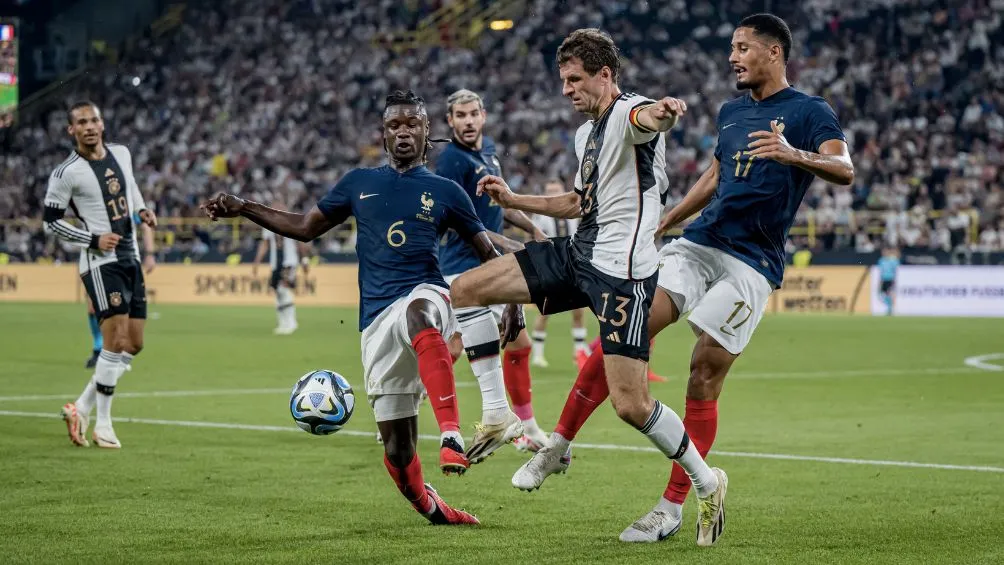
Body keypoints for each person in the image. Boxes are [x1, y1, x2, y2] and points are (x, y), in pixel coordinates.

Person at [511, 14, 854, 545]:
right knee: (630, 327)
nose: (733, 57)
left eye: (743, 48)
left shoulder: (810, 112)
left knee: (703, 372)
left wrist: (794, 155)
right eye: (732, 48)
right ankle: (558, 444)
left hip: (753, 263)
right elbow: (716, 176)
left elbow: (845, 167)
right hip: (700, 243)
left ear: (775, 52)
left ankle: (674, 505)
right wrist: (668, 220)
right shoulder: (732, 111)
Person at [447, 28, 728, 544]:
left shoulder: (628, 113)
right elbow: (579, 203)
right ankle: (494, 413)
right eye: (563, 80)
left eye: (575, 79)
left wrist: (664, 110)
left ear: (605, 75)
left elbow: (651, 118)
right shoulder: (586, 135)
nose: (566, 89)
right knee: (465, 288)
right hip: (578, 255)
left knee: (631, 406)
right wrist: (515, 199)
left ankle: (708, 483)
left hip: (623, 278)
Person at [202, 90, 524, 526]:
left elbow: (489, 253)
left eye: (412, 123)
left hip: (426, 293)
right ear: (383, 133)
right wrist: (244, 208)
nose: (404, 131)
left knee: (421, 311)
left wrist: (514, 307)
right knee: (397, 450)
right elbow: (303, 227)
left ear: (427, 131)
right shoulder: (358, 183)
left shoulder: (445, 190)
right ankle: (433, 508)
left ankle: (451, 434)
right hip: (375, 321)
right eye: (395, 125)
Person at [436, 88, 550, 455]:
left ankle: (523, 427)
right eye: (461, 116)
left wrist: (531, 227)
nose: (468, 121)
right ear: (450, 121)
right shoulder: (452, 161)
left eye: (473, 114)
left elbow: (499, 204)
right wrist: (510, 247)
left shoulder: (488, 154)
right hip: (462, 266)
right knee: (453, 348)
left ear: (483, 115)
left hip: (490, 264)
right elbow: (460, 221)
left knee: (517, 343)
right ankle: (408, 407)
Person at [44, 101, 158, 449]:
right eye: (81, 122)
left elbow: (131, 186)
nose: (89, 126)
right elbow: (51, 221)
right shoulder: (67, 172)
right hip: (99, 263)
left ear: (102, 122)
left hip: (130, 256)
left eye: (94, 119)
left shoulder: (121, 153)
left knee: (134, 344)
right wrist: (91, 238)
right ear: (72, 130)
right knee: (114, 342)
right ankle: (104, 424)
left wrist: (141, 209)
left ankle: (79, 407)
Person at [527, 178, 592, 372]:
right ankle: (537, 354)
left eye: (556, 190)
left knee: (579, 311)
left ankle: (579, 351)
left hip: (573, 266)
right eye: (550, 190)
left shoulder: (575, 211)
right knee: (545, 311)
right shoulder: (541, 216)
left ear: (564, 190)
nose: (554, 193)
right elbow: (533, 239)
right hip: (551, 267)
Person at [85, 216, 154, 368]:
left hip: (123, 261)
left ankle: (113, 351)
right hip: (96, 258)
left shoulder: (124, 202)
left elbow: (145, 225)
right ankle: (99, 347)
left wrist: (149, 254)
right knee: (92, 306)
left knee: (122, 307)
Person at [251, 200, 312, 335]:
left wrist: (305, 260)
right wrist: (257, 262)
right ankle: (283, 322)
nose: (276, 209)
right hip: (275, 263)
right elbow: (265, 244)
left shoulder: (291, 221)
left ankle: (291, 322)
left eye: (280, 206)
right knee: (277, 291)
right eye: (274, 207)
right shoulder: (267, 223)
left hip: (289, 261)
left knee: (283, 289)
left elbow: (301, 242)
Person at [877, 246, 900, 316]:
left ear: (889, 252)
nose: (884, 253)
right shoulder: (881, 261)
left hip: (890, 279)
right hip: (883, 279)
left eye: (886, 251)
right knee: (881, 294)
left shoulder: (893, 261)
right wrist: (880, 280)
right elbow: (881, 271)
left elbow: (895, 271)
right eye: (883, 251)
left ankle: (890, 309)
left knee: (889, 294)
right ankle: (889, 306)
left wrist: (894, 280)